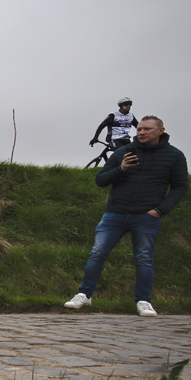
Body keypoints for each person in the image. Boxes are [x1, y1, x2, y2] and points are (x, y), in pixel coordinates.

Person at [65, 116, 187, 317]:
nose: (141, 132)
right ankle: (84, 295)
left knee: (144, 259)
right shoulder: (122, 152)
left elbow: (180, 187)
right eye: (139, 129)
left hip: (147, 216)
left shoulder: (174, 156)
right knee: (97, 253)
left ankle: (143, 301)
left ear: (160, 131)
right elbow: (101, 180)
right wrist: (121, 168)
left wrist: (160, 210)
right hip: (115, 213)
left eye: (147, 129)